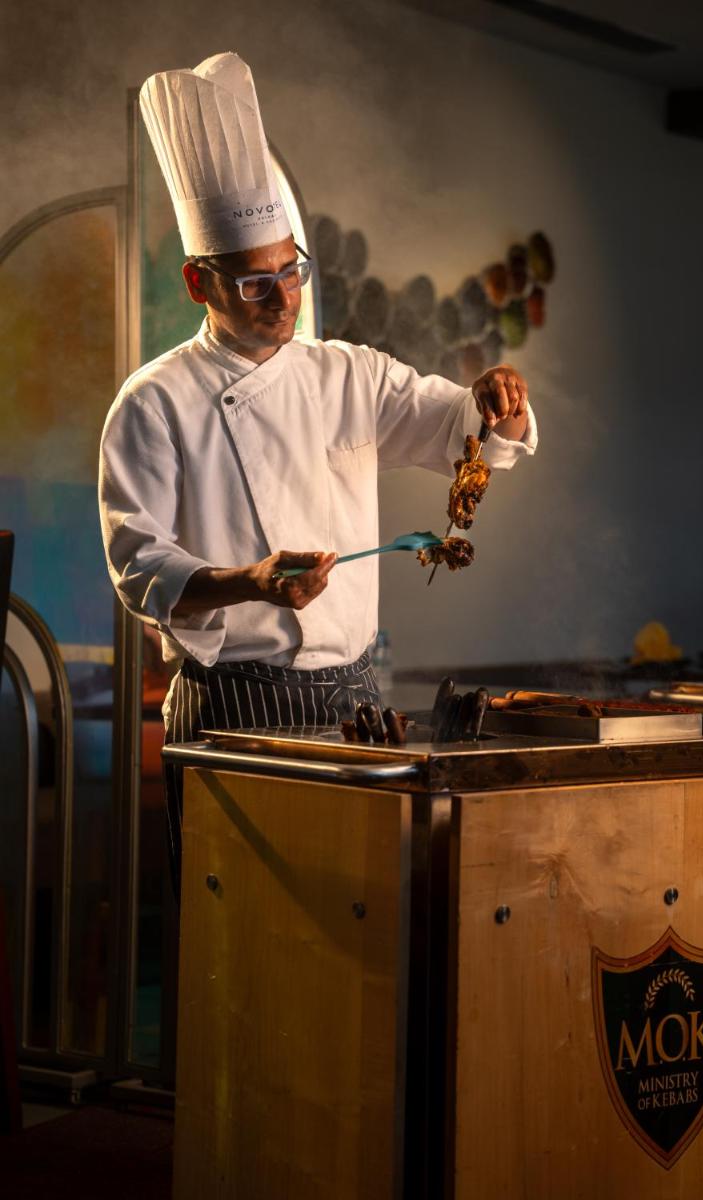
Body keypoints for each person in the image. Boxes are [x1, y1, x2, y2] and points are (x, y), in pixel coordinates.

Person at [98, 53, 538, 894]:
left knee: (350, 921)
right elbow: (139, 566)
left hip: (355, 704)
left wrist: (496, 399)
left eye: (291, 272)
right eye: (254, 281)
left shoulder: (350, 374)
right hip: (231, 705)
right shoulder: (154, 402)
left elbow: (464, 428)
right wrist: (249, 582)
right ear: (197, 281)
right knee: (236, 923)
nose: (282, 298)